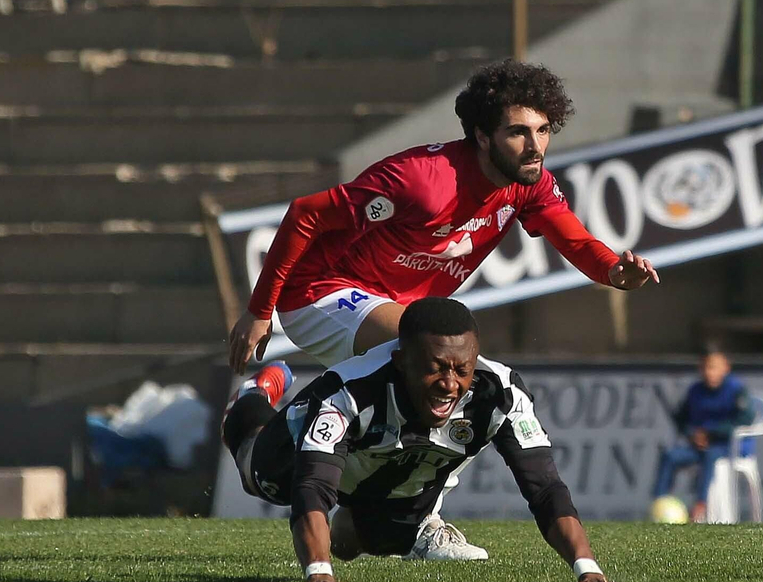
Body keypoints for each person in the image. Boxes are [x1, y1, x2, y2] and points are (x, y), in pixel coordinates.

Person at [226, 59, 658, 376]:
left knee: (451, 383)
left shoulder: (530, 184)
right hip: (318, 294)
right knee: (440, 355)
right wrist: (259, 311)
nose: (535, 146)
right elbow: (306, 214)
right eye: (518, 132)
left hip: (398, 311)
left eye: (543, 130)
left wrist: (612, 271)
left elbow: (576, 242)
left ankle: (270, 413)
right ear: (483, 137)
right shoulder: (422, 182)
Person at [221, 297, 614, 582]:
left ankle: (355, 519)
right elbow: (313, 487)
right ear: (401, 360)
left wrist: (586, 567)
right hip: (303, 453)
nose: (450, 384)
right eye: (435, 368)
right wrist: (318, 573)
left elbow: (544, 488)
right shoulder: (347, 393)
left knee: (361, 543)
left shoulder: (502, 395)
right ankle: (253, 395)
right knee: (260, 479)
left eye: (462, 369)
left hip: (393, 478)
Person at [651, 351, 755, 523]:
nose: (709, 373)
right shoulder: (696, 391)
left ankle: (700, 505)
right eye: (706, 368)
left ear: (725, 369)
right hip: (699, 445)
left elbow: (745, 418)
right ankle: (659, 502)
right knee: (670, 455)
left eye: (714, 368)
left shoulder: (736, 390)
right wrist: (692, 435)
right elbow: (681, 418)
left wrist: (712, 433)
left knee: (710, 456)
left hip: (727, 446)